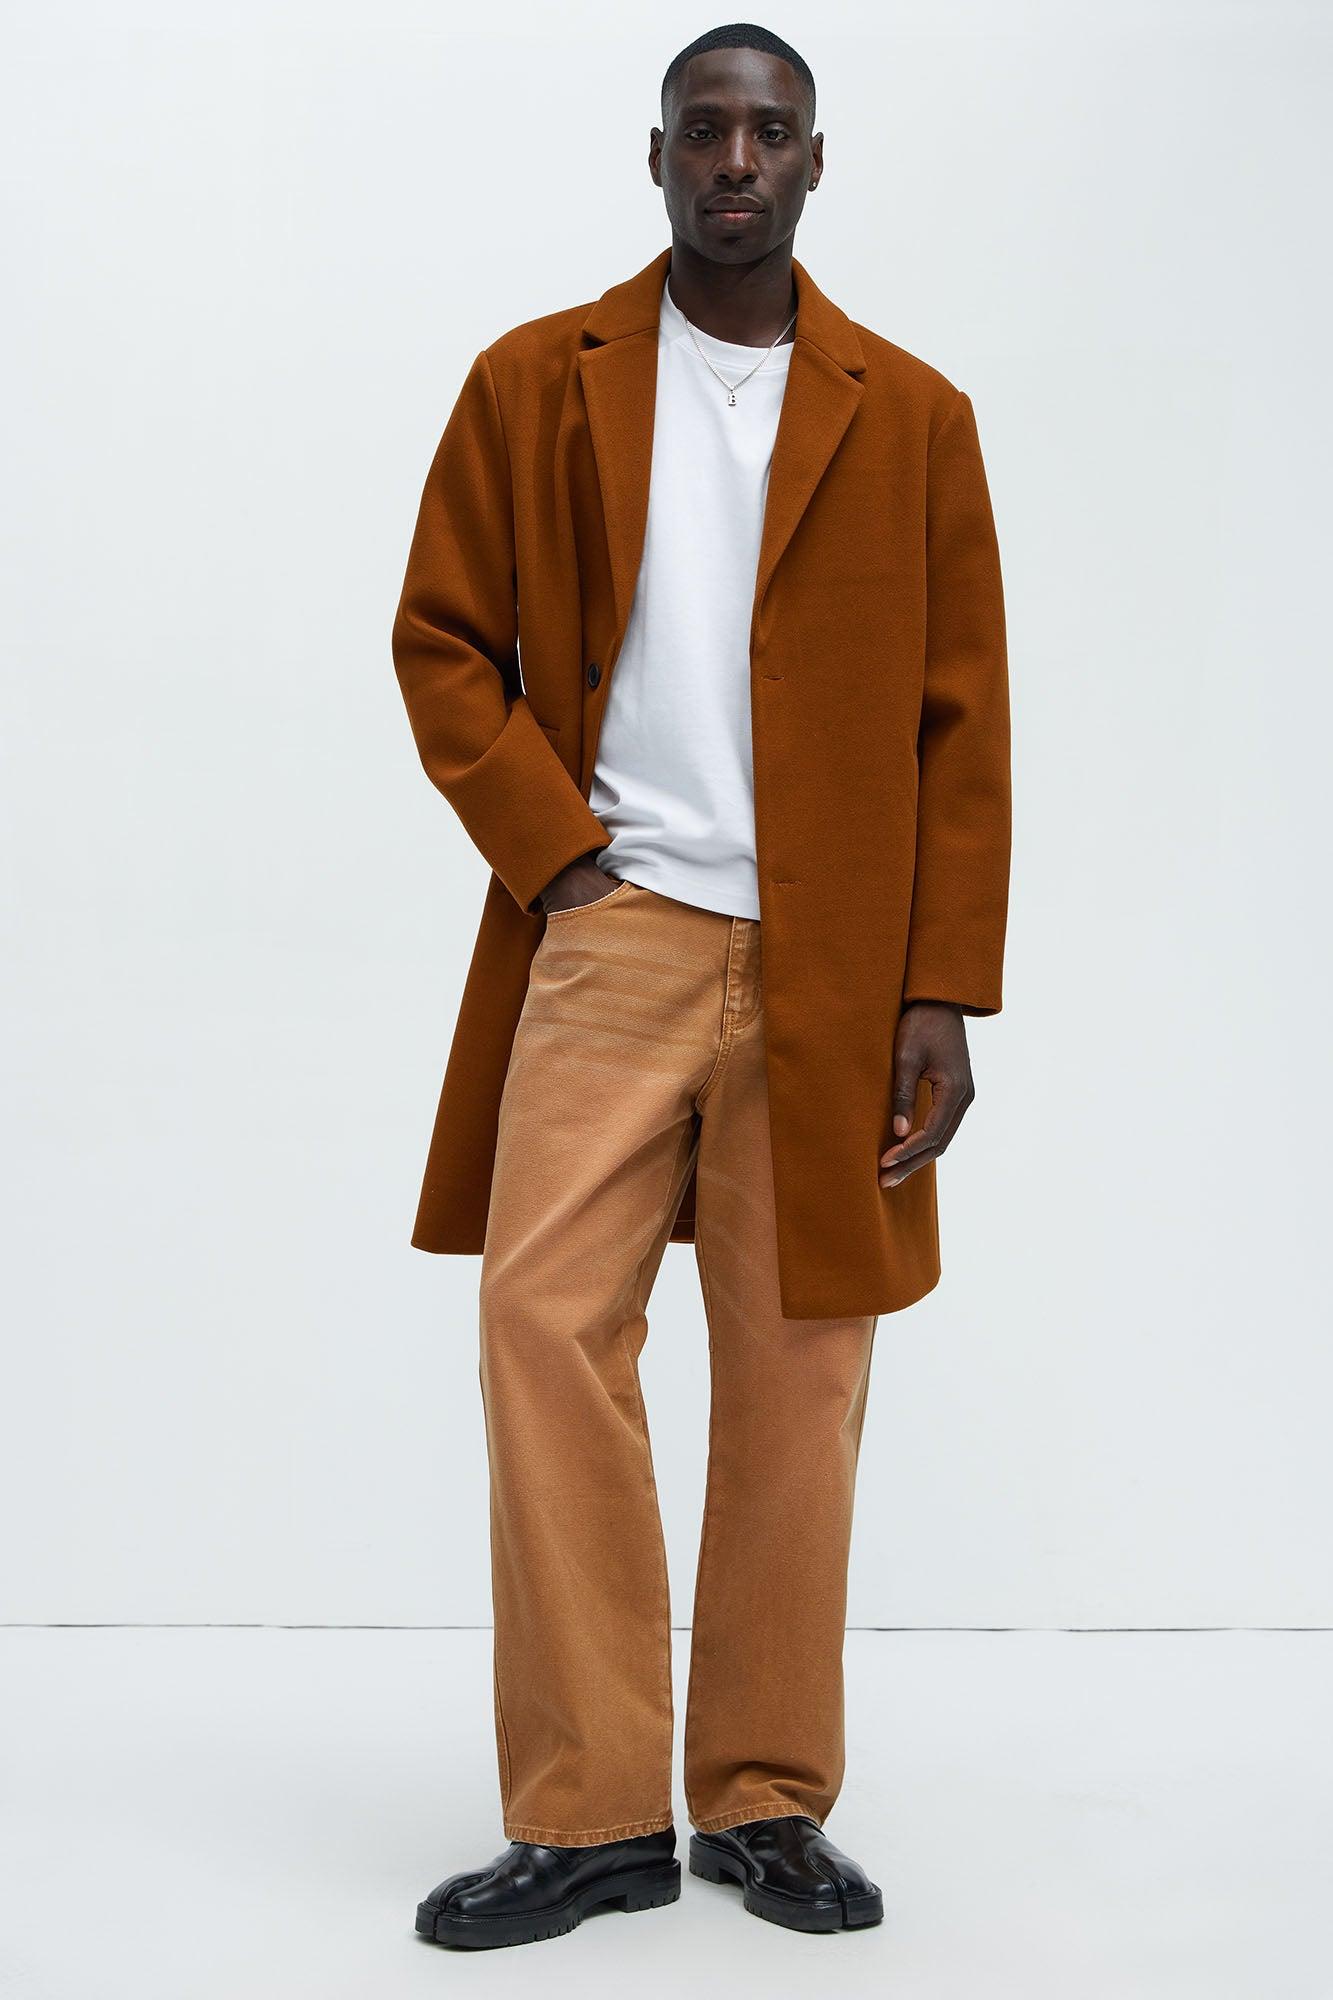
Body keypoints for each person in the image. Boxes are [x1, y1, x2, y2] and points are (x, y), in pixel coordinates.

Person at [393, 20, 1011, 1952]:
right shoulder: (535, 381)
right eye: (704, 130)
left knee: (802, 1366)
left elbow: (962, 724)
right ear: (654, 156)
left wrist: (939, 989)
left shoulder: (913, 416)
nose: (736, 160)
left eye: (771, 131)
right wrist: (560, 858)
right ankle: (589, 1814)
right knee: (540, 1324)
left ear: (816, 163)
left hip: (838, 967)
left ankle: (761, 1796)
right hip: (616, 931)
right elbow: (440, 641)